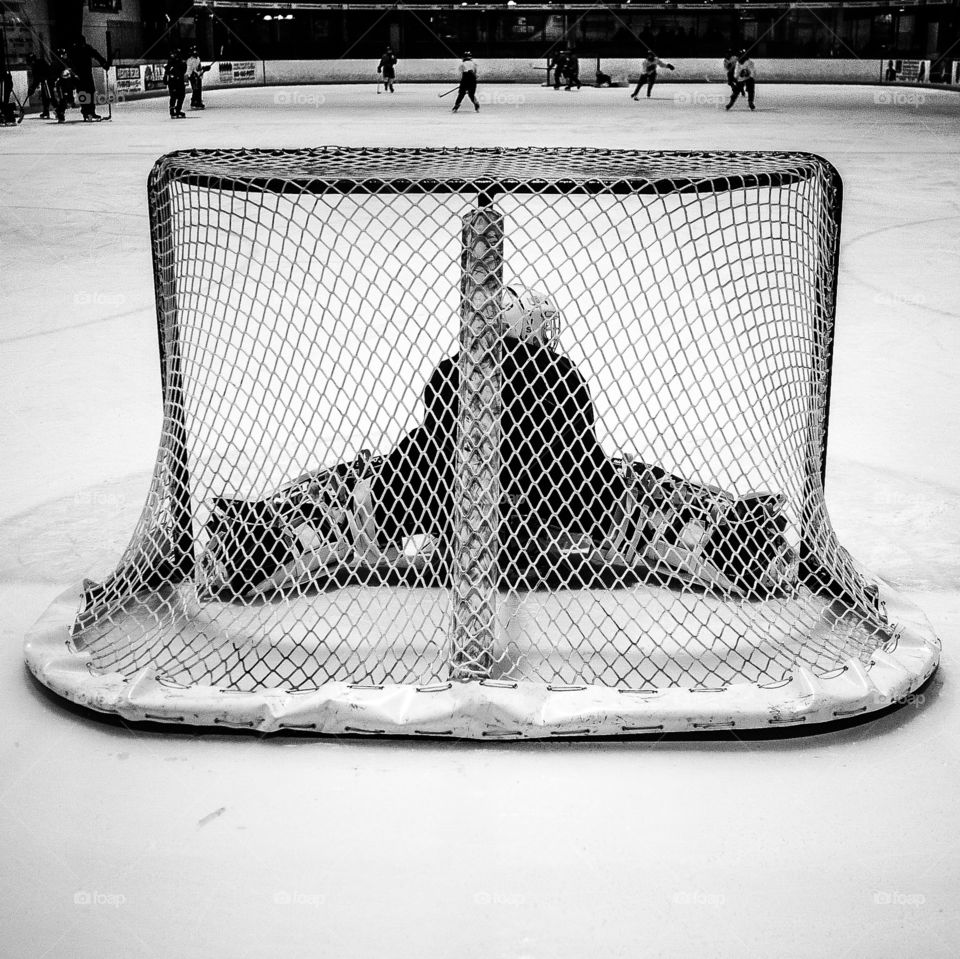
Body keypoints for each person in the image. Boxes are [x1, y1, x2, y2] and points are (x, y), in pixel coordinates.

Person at [198, 287, 795, 601]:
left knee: (343, 491)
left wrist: (386, 485)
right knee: (644, 491)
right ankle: (728, 539)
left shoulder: (452, 372)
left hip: (439, 512)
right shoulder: (564, 380)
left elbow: (423, 455)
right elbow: (581, 467)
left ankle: (265, 538)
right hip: (547, 526)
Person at [68, 34, 109, 121]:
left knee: (90, 92)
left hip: (87, 74)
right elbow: (70, 62)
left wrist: (103, 63)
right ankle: (86, 112)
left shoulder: (86, 48)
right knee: (83, 93)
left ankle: (91, 112)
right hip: (78, 75)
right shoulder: (74, 50)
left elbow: (96, 54)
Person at [27, 51, 54, 118]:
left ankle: (58, 111)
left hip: (47, 81)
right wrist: (32, 88)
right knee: (45, 97)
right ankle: (46, 111)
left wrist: (32, 88)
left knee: (50, 96)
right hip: (46, 81)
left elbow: (36, 79)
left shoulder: (36, 65)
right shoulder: (40, 62)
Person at [164, 47, 188, 119]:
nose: (172, 56)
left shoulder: (181, 62)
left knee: (181, 96)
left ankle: (178, 110)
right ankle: (172, 111)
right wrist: (166, 76)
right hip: (172, 82)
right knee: (173, 96)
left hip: (179, 81)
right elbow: (167, 72)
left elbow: (183, 70)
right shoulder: (170, 62)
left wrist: (172, 70)